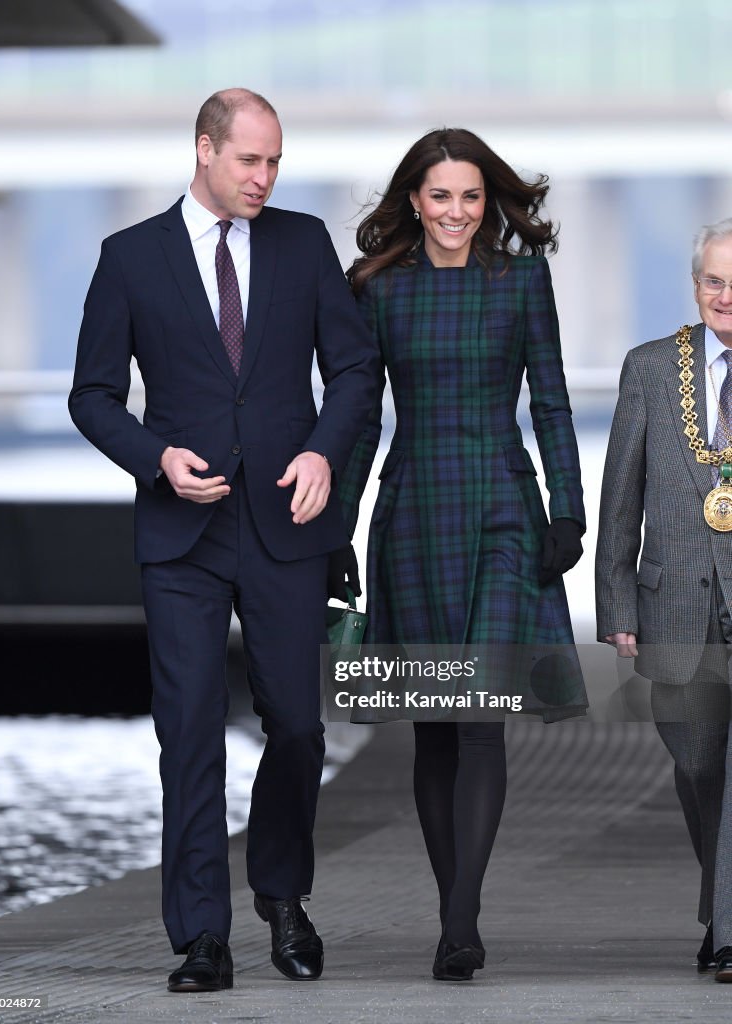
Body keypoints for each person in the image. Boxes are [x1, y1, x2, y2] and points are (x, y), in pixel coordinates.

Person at [69, 88, 378, 992]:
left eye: (275, 160)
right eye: (250, 160)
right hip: (182, 536)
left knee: (297, 728)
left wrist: (325, 452)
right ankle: (201, 935)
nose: (265, 177)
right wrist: (154, 455)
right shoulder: (129, 259)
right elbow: (91, 396)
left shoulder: (304, 241)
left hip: (288, 522)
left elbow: (355, 368)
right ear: (203, 150)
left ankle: (283, 897)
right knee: (190, 733)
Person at [336, 128, 585, 981]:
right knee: (435, 726)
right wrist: (337, 526)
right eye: (440, 196)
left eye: (472, 196)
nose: (456, 212)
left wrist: (570, 511)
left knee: (482, 717)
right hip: (412, 511)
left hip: (505, 513)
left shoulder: (522, 280)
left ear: (490, 202)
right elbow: (361, 420)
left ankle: (460, 923)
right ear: (414, 199)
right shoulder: (376, 289)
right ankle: (455, 914)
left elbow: (551, 403)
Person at [596, 217, 732, 984]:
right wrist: (616, 603)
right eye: (713, 281)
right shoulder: (652, 368)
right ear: (695, 286)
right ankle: (722, 909)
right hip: (676, 602)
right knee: (700, 763)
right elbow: (621, 494)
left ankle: (730, 934)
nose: (726, 296)